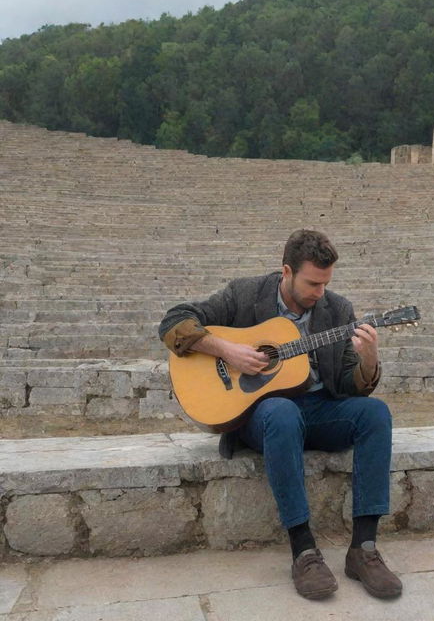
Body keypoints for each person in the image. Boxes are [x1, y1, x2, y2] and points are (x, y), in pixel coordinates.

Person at [158, 229, 402, 600]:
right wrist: (227, 351)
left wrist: (369, 357)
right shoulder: (244, 294)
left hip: (320, 410)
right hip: (263, 415)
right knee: (282, 411)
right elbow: (174, 322)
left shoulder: (337, 310)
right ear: (286, 271)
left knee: (375, 414)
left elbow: (352, 387)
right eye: (312, 283)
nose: (319, 293)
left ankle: (364, 549)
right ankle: (304, 550)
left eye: (325, 283)